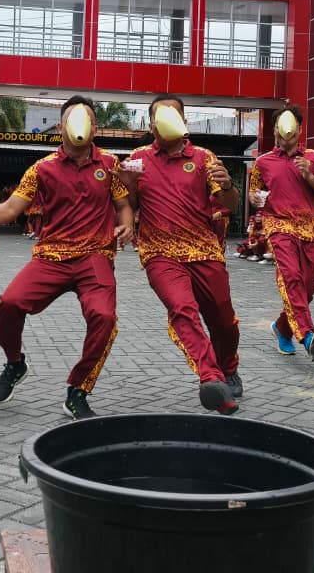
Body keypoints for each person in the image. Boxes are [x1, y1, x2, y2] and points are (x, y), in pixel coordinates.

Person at [0, 97, 134, 419]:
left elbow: (123, 205)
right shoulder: (42, 168)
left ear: (95, 129)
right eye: (74, 119)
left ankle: (78, 390)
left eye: (88, 120)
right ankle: (15, 362)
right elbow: (10, 209)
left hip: (95, 256)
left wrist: (127, 224)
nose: (80, 126)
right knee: (10, 304)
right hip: (51, 256)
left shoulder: (111, 165)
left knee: (104, 318)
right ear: (60, 127)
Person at [118, 95, 241, 414]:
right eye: (161, 114)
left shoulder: (204, 157)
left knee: (224, 321)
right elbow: (129, 203)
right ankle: (211, 378)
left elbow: (230, 206)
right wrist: (128, 191)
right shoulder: (138, 158)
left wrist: (228, 185)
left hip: (204, 250)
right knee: (182, 308)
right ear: (151, 123)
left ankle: (228, 367)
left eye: (175, 113)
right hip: (160, 253)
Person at [248, 105, 314, 360]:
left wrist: (308, 175)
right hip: (279, 226)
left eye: (292, 126)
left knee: (307, 290)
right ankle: (308, 335)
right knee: (291, 279)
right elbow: (255, 194)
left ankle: (282, 328)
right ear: (275, 129)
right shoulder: (263, 161)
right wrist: (255, 199)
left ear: (299, 129)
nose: (285, 131)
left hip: (310, 229)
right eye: (280, 126)